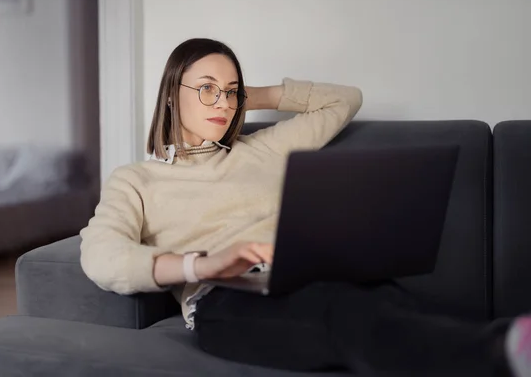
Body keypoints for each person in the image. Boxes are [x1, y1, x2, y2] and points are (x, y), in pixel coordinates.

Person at [79, 37, 528, 376]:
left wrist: (248, 97)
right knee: (347, 316)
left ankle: (510, 344)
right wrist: (202, 265)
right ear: (172, 93)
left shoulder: (264, 148)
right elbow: (102, 257)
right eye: (207, 89)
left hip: (314, 276)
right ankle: (502, 352)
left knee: (419, 311)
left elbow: (344, 99)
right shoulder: (137, 180)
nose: (223, 101)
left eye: (230, 91)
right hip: (227, 299)